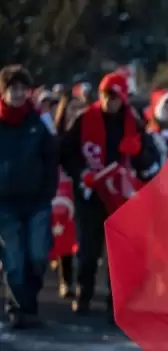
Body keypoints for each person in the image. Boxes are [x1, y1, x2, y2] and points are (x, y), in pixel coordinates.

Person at [59, 72, 159, 320]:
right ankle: (84, 293)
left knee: (120, 253)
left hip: (122, 197)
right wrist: (81, 173)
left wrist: (137, 153)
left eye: (113, 96)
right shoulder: (84, 119)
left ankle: (116, 301)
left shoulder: (135, 124)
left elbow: (150, 164)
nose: (108, 100)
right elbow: (65, 152)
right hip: (91, 194)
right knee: (89, 250)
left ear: (123, 98)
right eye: (105, 95)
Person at [0, 65, 58, 328]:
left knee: (36, 255)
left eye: (23, 88)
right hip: (5, 203)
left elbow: (50, 159)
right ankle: (17, 308)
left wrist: (48, 192)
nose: (18, 93)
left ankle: (29, 303)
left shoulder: (38, 123)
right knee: (13, 259)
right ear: (3, 92)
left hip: (36, 202)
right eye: (13, 88)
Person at [51, 89, 86, 299]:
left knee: (82, 236)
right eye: (73, 108)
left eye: (81, 108)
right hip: (62, 189)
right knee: (64, 231)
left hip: (85, 189)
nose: (77, 113)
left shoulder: (90, 132)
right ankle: (66, 279)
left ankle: (80, 281)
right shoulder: (56, 137)